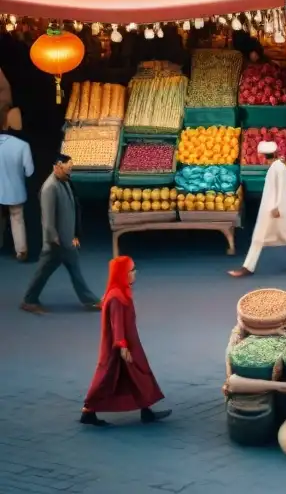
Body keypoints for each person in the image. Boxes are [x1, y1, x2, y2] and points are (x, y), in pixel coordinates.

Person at [80, 256, 170, 426]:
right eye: (131, 270)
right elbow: (117, 323)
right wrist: (122, 346)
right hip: (120, 346)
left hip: (128, 343)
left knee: (136, 374)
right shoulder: (116, 297)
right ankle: (88, 410)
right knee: (107, 376)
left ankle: (146, 409)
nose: (134, 273)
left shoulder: (119, 292)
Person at [21, 155, 101, 313]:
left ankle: (89, 300)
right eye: (68, 168)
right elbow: (48, 219)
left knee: (69, 269)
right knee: (47, 271)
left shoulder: (64, 182)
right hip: (57, 243)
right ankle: (29, 300)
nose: (70, 171)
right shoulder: (50, 188)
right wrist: (55, 240)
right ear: (57, 166)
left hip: (66, 240)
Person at [228, 141, 286, 277]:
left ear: (264, 156)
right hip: (277, 210)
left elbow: (282, 190)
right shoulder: (277, 167)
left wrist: (278, 208)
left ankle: (248, 268)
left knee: (259, 238)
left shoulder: (278, 168)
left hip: (274, 211)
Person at [0, 105, 33, 261]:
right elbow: (29, 172)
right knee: (17, 218)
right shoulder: (22, 146)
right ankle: (21, 250)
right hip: (15, 190)